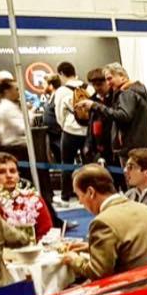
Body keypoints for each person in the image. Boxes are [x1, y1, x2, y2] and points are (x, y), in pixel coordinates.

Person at [61, 164, 147, 279]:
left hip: (126, 289)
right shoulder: (144, 209)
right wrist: (92, 247)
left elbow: (98, 274)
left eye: (79, 196)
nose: (80, 202)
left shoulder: (103, 222)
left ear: (90, 192)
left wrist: (74, 260)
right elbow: (128, 248)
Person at [85, 63, 147, 181]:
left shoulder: (127, 93)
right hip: (137, 146)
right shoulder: (135, 92)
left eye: (110, 78)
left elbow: (123, 115)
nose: (108, 83)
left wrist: (95, 106)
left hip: (130, 149)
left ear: (122, 76)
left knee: (133, 185)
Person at [0, 152, 53, 241]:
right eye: (1, 172)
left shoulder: (34, 201)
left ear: (18, 175)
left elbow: (47, 235)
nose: (9, 175)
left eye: (13, 171)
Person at [52, 62, 89, 200]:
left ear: (61, 74)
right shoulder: (88, 87)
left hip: (70, 131)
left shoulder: (61, 91)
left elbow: (59, 113)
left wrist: (65, 126)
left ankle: (66, 194)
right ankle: (87, 193)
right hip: (87, 132)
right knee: (88, 165)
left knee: (66, 163)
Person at [0, 80, 30, 163]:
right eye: (16, 89)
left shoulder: (8, 106)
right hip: (15, 149)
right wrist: (30, 113)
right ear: (7, 91)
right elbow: (23, 128)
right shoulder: (7, 108)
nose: (19, 92)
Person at [81, 68, 114, 164]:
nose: (97, 88)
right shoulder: (91, 100)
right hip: (97, 148)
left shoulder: (116, 99)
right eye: (94, 85)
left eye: (100, 84)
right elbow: (90, 126)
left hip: (113, 147)